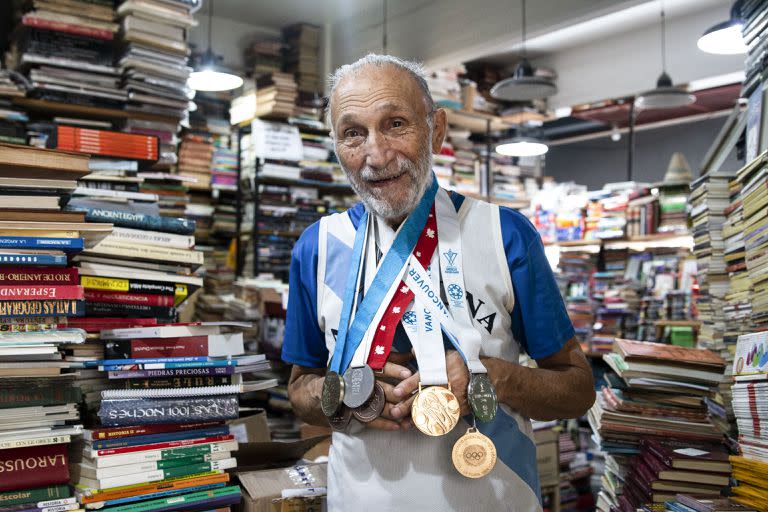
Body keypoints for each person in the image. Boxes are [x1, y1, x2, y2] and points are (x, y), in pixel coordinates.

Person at [282, 54, 595, 512]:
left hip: (495, 495)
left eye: (395, 124)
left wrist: (493, 379)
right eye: (353, 133)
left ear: (437, 129)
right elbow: (298, 388)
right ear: (335, 144)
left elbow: (578, 389)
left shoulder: (503, 233)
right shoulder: (318, 246)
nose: (376, 155)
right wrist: (338, 394)